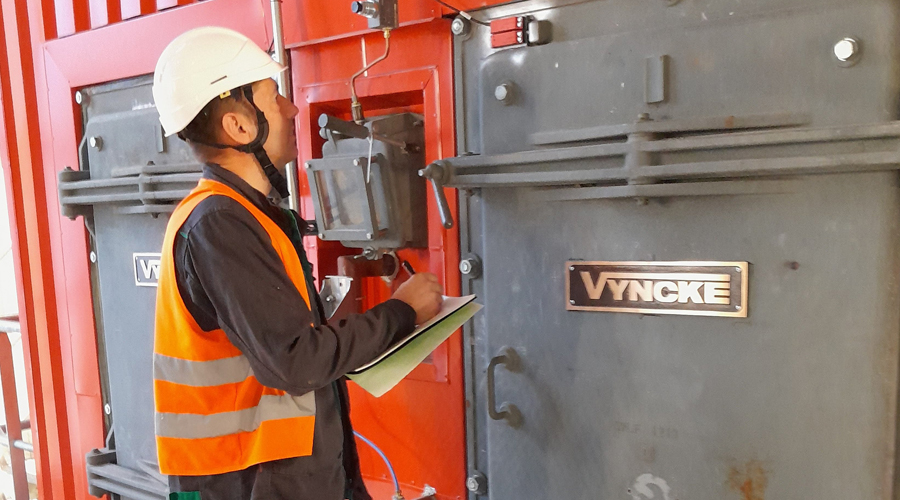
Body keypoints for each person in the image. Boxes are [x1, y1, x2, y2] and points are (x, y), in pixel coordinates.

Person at [151, 26, 443, 500]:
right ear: (239, 126)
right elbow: (295, 362)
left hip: (285, 475)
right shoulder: (219, 223)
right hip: (249, 481)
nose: (291, 108)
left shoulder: (247, 215)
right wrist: (402, 312)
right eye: (274, 97)